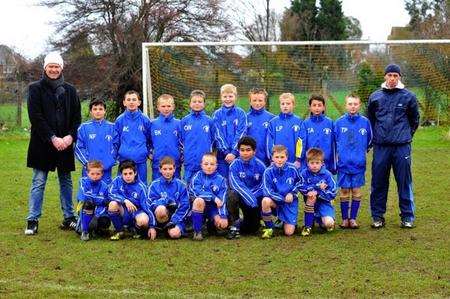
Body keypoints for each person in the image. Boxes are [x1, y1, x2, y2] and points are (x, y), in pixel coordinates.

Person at [25, 51, 81, 235]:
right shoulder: (35, 89)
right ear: (45, 67)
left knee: (66, 181)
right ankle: (32, 219)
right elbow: (36, 117)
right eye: (51, 66)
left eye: (57, 66)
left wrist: (70, 137)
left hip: (65, 145)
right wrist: (52, 138)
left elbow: (76, 118)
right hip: (42, 145)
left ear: (61, 68)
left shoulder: (71, 90)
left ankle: (69, 217)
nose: (54, 69)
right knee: (39, 181)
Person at [368, 63, 420, 229]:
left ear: (399, 77)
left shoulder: (409, 96)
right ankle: (377, 216)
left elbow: (414, 120)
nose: (392, 78)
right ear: (385, 76)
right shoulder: (375, 96)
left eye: (395, 76)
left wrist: (405, 136)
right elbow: (370, 120)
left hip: (401, 147)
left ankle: (407, 216)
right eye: (389, 75)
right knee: (378, 182)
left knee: (404, 181)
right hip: (381, 146)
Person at [334, 94, 372, 229]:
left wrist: (360, 154)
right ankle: (345, 219)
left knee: (356, 190)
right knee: (344, 190)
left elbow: (370, 141)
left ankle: (353, 219)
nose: (352, 106)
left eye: (355, 104)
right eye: (350, 104)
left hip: (358, 164)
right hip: (343, 164)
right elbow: (334, 142)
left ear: (359, 105)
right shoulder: (338, 123)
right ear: (346, 105)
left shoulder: (365, 122)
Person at [228, 136, 266, 239]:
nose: (245, 153)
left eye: (248, 150)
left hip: (255, 201)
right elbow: (235, 185)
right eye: (242, 150)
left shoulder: (261, 165)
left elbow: (264, 186)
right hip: (243, 197)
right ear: (238, 151)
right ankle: (233, 226)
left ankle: (255, 220)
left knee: (251, 229)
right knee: (232, 195)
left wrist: (253, 196)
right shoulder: (234, 165)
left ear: (254, 151)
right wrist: (249, 196)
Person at [108, 160, 156, 240]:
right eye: (125, 174)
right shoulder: (117, 181)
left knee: (143, 220)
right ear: (121, 174)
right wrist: (125, 200)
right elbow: (110, 193)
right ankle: (120, 231)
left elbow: (147, 207)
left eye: (130, 173)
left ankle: (135, 230)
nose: (128, 176)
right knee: (113, 204)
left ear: (135, 173)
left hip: (137, 212)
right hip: (123, 211)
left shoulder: (141, 187)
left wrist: (152, 226)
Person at [261, 145, 301, 238]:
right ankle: (269, 228)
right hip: (277, 201)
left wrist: (292, 193)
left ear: (287, 157)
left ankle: (283, 220)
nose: (279, 160)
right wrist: (282, 199)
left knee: (289, 232)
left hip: (289, 202)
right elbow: (267, 190)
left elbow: (300, 182)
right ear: (272, 158)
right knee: (265, 201)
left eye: (282, 157)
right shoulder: (268, 171)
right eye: (277, 157)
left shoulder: (293, 169)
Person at [113, 90, 152, 184]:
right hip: (124, 160)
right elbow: (115, 141)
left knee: (141, 186)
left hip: (140, 160)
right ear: (124, 102)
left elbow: (150, 139)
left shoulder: (145, 120)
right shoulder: (120, 120)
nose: (131, 102)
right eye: (128, 99)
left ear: (139, 102)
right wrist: (118, 155)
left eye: (134, 99)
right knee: (122, 186)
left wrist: (147, 152)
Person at [75, 99, 116, 184]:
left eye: (100, 109)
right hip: (89, 170)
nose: (98, 111)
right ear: (90, 111)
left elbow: (116, 145)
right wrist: (87, 164)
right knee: (88, 194)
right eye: (95, 109)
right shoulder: (83, 128)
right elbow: (79, 148)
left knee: (105, 194)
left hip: (106, 169)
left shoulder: (112, 127)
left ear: (105, 111)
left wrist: (110, 161)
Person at [148, 157, 190, 239]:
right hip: (162, 215)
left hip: (177, 218)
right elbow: (150, 204)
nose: (167, 172)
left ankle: (169, 230)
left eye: (170, 169)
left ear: (174, 169)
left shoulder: (181, 185)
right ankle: (161, 227)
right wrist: (166, 201)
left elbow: (185, 205)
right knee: (160, 209)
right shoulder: (154, 185)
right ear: (160, 170)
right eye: (165, 169)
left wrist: (174, 220)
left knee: (174, 234)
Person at [298, 148, 337, 237]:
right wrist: (315, 188)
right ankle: (307, 226)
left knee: (327, 224)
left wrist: (319, 193)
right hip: (311, 203)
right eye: (312, 163)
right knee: (311, 196)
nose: (314, 166)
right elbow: (300, 186)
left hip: (324, 204)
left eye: (317, 163)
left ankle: (321, 220)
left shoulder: (327, 174)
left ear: (322, 163)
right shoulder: (304, 173)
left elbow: (333, 192)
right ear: (307, 163)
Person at [189, 153, 228, 241]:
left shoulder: (221, 180)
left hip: (213, 209)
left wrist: (223, 216)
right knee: (199, 200)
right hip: (199, 206)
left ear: (216, 165)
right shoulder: (197, 177)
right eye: (206, 164)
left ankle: (211, 225)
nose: (209, 167)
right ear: (201, 165)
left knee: (222, 225)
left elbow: (222, 199)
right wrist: (213, 197)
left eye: (212, 164)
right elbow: (196, 192)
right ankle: (197, 231)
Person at [212, 84, 247, 178]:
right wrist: (226, 152)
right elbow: (217, 134)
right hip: (222, 155)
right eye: (225, 96)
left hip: (238, 154)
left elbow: (242, 133)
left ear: (235, 97)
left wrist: (234, 152)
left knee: (237, 179)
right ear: (221, 97)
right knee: (223, 181)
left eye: (230, 96)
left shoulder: (241, 113)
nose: (228, 99)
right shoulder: (217, 114)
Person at [179, 90, 215, 183]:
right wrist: (184, 154)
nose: (197, 104)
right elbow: (180, 140)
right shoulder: (184, 121)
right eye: (194, 101)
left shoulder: (209, 121)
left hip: (205, 162)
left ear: (204, 104)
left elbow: (213, 140)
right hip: (189, 161)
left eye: (200, 102)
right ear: (190, 103)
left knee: (204, 185)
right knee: (188, 185)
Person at [297, 94, 336, 173]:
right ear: (310, 108)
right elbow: (301, 142)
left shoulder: (330, 123)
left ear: (323, 107)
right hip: (310, 162)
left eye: (319, 105)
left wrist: (334, 161)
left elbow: (334, 142)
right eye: (314, 105)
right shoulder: (305, 123)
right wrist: (298, 159)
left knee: (326, 184)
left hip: (326, 163)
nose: (317, 108)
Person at [149, 94, 181, 181]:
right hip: (158, 162)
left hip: (175, 163)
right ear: (158, 107)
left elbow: (183, 141)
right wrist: (150, 153)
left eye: (168, 106)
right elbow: (147, 141)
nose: (166, 109)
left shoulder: (179, 124)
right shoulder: (152, 124)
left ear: (173, 107)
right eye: (163, 106)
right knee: (157, 188)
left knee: (175, 188)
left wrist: (181, 154)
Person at [76, 160, 110, 241]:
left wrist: (96, 216)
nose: (95, 176)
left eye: (98, 174)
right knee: (88, 203)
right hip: (85, 209)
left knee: (105, 221)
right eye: (92, 174)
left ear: (102, 174)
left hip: (98, 212)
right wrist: (100, 200)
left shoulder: (105, 187)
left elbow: (106, 203)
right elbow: (83, 197)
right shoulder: (83, 181)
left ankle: (96, 230)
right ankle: (84, 231)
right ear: (87, 173)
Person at [266, 93, 302, 165]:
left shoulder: (299, 121)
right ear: (280, 105)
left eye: (288, 104)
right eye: (283, 104)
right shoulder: (273, 122)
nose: (285, 106)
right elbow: (269, 142)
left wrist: (298, 159)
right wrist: (272, 158)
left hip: (294, 162)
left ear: (293, 105)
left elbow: (301, 141)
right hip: (277, 161)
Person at [246, 88, 274, 166]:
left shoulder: (272, 118)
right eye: (254, 100)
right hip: (249, 158)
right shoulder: (245, 118)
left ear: (265, 102)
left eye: (260, 100)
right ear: (250, 101)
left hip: (267, 159)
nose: (257, 103)